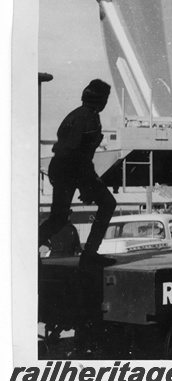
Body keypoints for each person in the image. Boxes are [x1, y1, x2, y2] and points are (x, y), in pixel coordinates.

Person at [39, 79, 117, 268]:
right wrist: (86, 185)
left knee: (58, 218)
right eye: (105, 97)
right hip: (71, 170)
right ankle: (90, 253)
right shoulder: (87, 117)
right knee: (107, 203)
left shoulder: (78, 115)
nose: (106, 102)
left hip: (66, 170)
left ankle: (28, 248)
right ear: (100, 99)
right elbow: (76, 154)